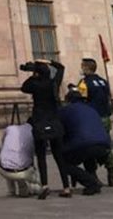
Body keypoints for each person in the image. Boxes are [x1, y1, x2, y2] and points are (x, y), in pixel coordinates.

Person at [20, 60, 70, 198]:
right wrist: (48, 61)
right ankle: (66, 187)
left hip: (39, 122)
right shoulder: (54, 83)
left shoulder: (34, 84)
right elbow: (61, 67)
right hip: (54, 121)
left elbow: (23, 88)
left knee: (41, 156)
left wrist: (33, 74)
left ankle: (45, 186)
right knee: (59, 156)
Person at [58, 87, 110, 195]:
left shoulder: (65, 110)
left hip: (83, 143)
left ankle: (91, 182)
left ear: (67, 101)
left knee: (63, 163)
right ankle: (93, 177)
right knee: (88, 154)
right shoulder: (91, 108)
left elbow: (61, 130)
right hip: (104, 144)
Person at [76, 58, 113, 186]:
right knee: (105, 145)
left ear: (86, 68)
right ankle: (111, 171)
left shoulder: (83, 83)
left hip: (91, 119)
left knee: (89, 146)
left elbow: (81, 100)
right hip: (105, 118)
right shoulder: (103, 81)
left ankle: (93, 175)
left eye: (82, 66)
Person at [0, 123, 40, 197]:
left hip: (3, 169)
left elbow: (3, 141)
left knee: (6, 161)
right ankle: (33, 189)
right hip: (22, 172)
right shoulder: (32, 132)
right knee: (27, 172)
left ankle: (11, 191)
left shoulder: (10, 129)